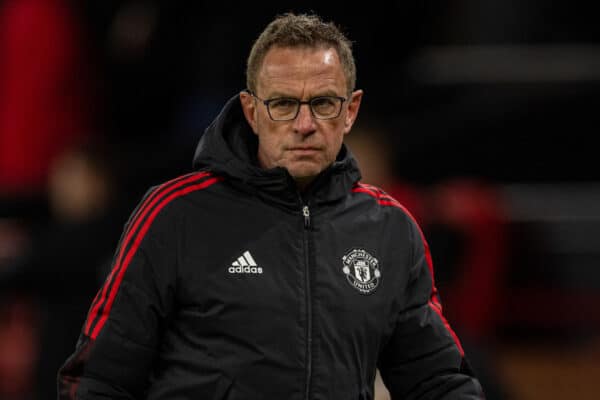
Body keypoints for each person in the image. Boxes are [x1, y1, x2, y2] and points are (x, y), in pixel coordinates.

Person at [58, 13, 484, 399]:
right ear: (252, 111)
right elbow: (100, 378)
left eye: (322, 104)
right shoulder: (175, 216)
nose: (303, 125)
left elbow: (435, 380)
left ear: (350, 111)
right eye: (283, 104)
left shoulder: (390, 229)